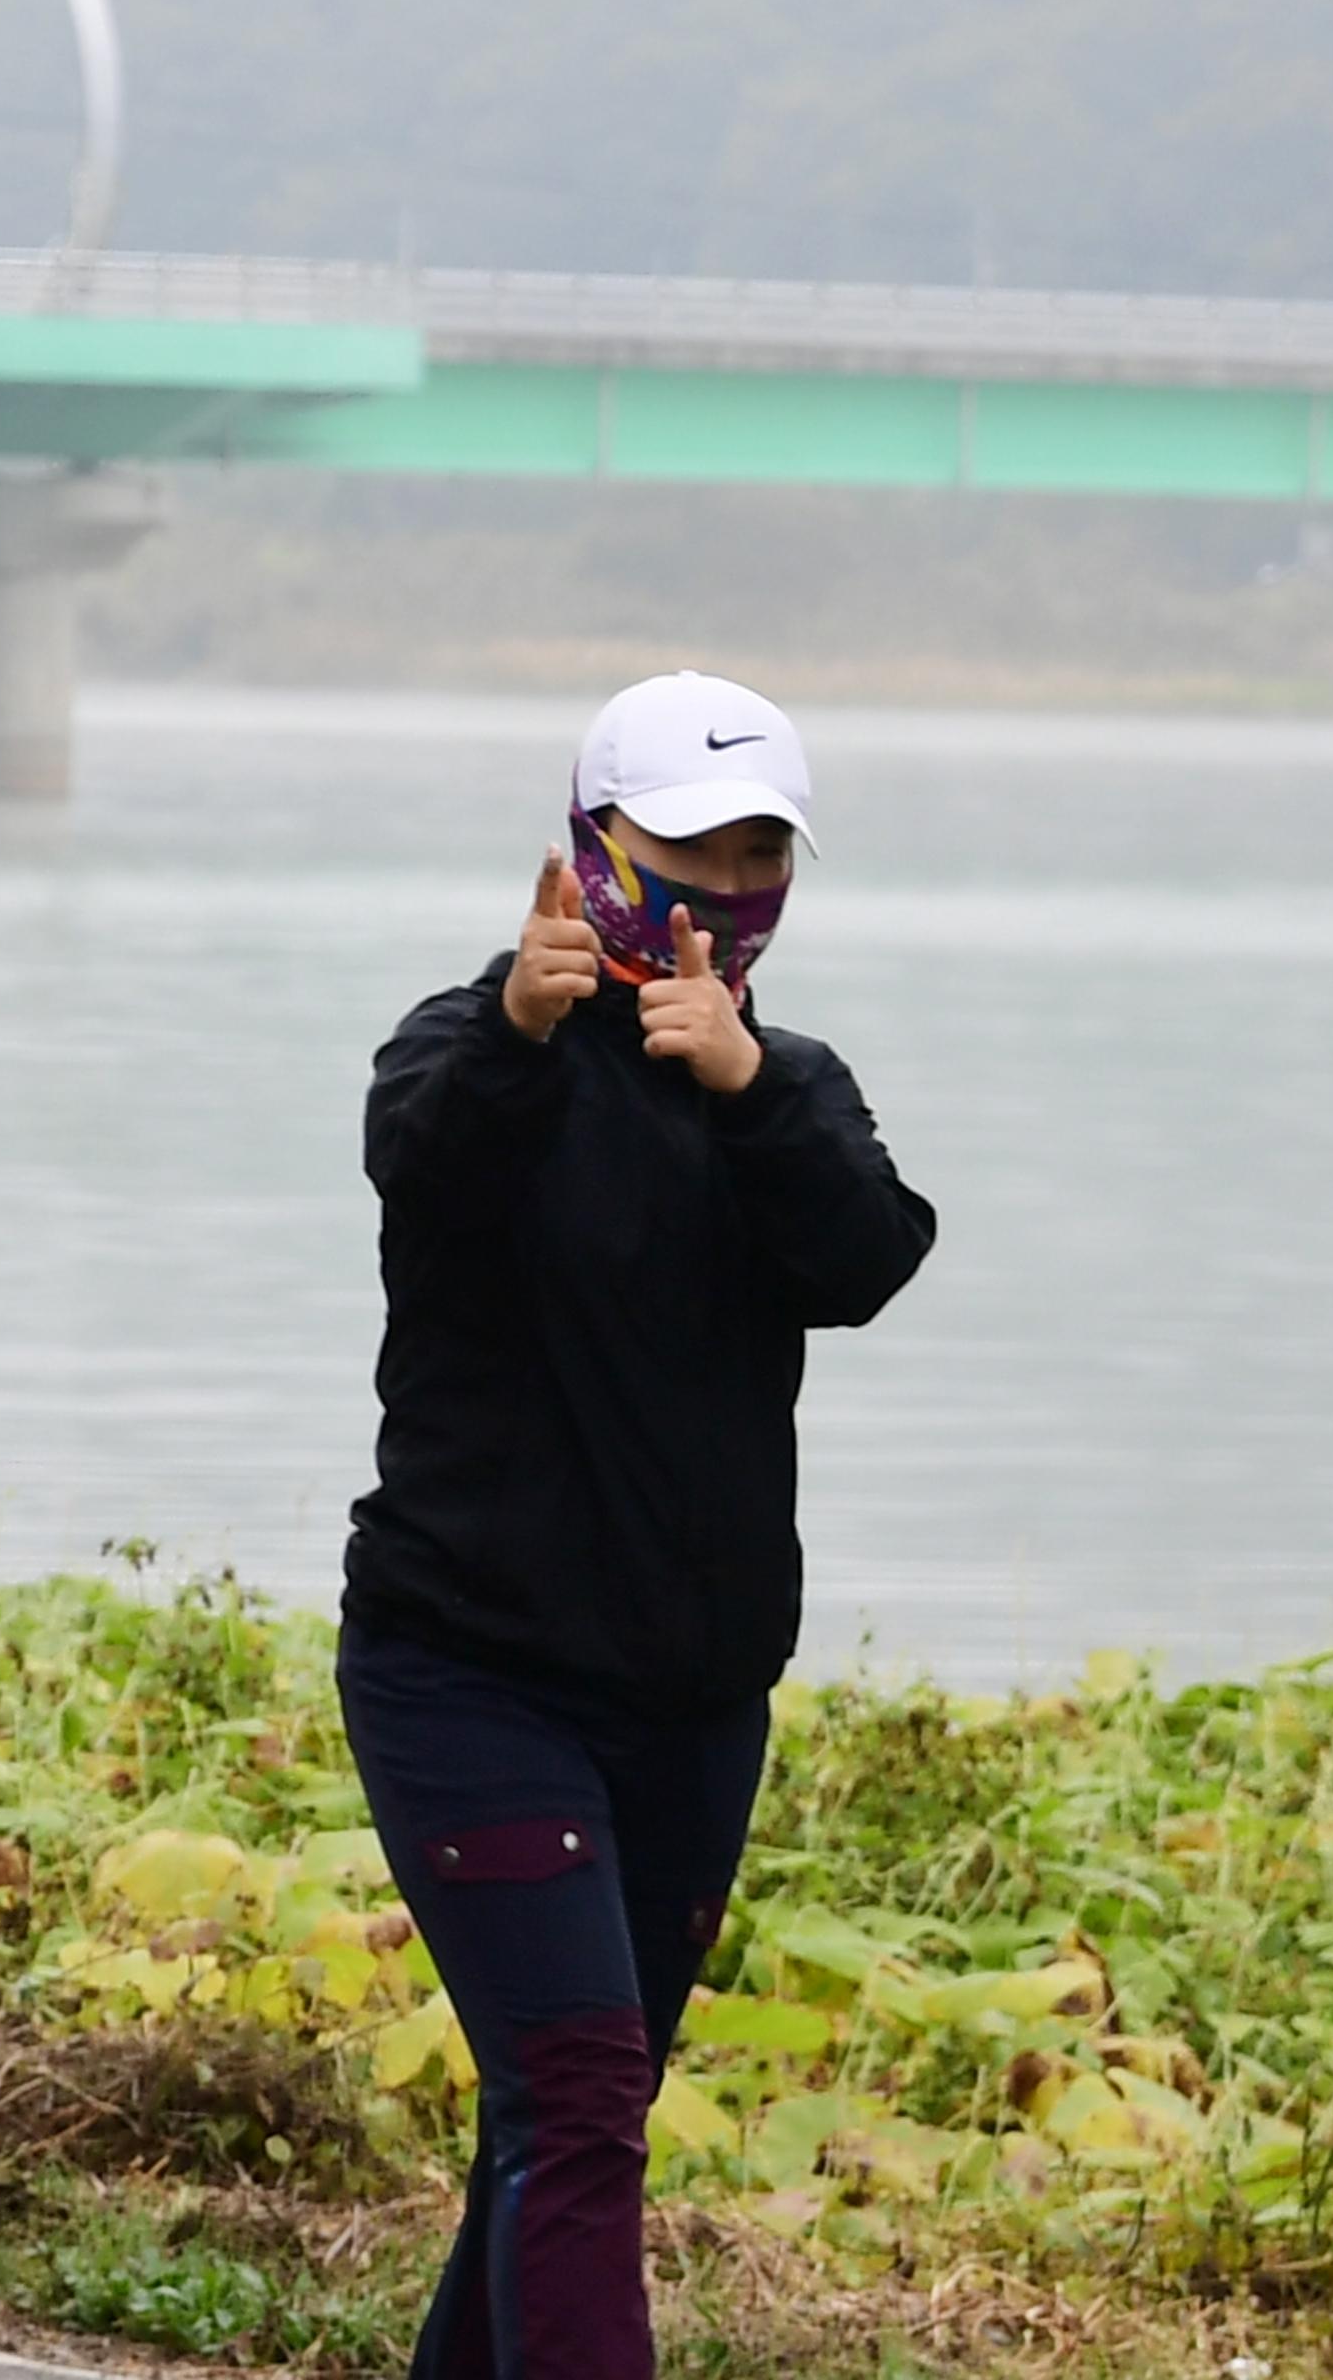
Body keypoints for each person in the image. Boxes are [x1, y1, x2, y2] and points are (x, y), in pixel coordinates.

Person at [341, 670, 934, 2380]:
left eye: (760, 856)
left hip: (692, 1707)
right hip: (472, 1680)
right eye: (688, 848)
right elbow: (424, 1168)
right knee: (580, 2102)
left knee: (563, 2122)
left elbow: (869, 1261)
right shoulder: (466, 1051)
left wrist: (747, 1091)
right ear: (590, 847)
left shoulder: (787, 1085)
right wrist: (529, 1035)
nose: (723, 892)